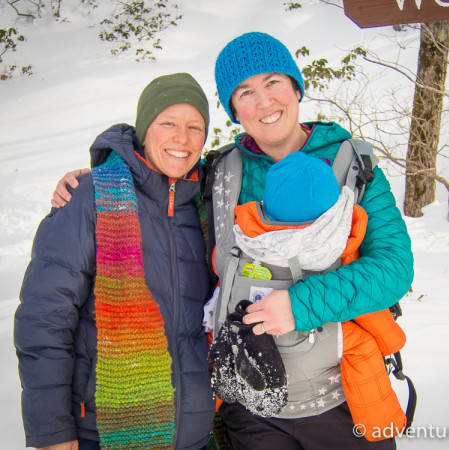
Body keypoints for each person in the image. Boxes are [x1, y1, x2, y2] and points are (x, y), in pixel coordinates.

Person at [51, 32, 414, 449]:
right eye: (245, 91)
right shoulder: (219, 173)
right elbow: (157, 181)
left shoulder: (353, 163)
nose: (264, 102)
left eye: (273, 82)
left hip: (346, 396)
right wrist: (96, 180)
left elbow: (393, 268)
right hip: (250, 408)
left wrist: (299, 304)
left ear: (296, 87)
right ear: (233, 108)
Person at [15, 73, 215, 450]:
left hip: (196, 434)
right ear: (144, 129)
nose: (182, 138)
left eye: (195, 127)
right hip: (102, 433)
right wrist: (52, 432)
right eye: (168, 123)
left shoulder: (209, 206)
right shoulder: (91, 196)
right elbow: (44, 317)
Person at [207, 150, 408, 442]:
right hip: (332, 395)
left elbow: (220, 268)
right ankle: (379, 423)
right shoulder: (338, 249)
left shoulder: (246, 236)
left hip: (256, 405)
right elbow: (375, 320)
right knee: (361, 347)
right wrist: (392, 340)